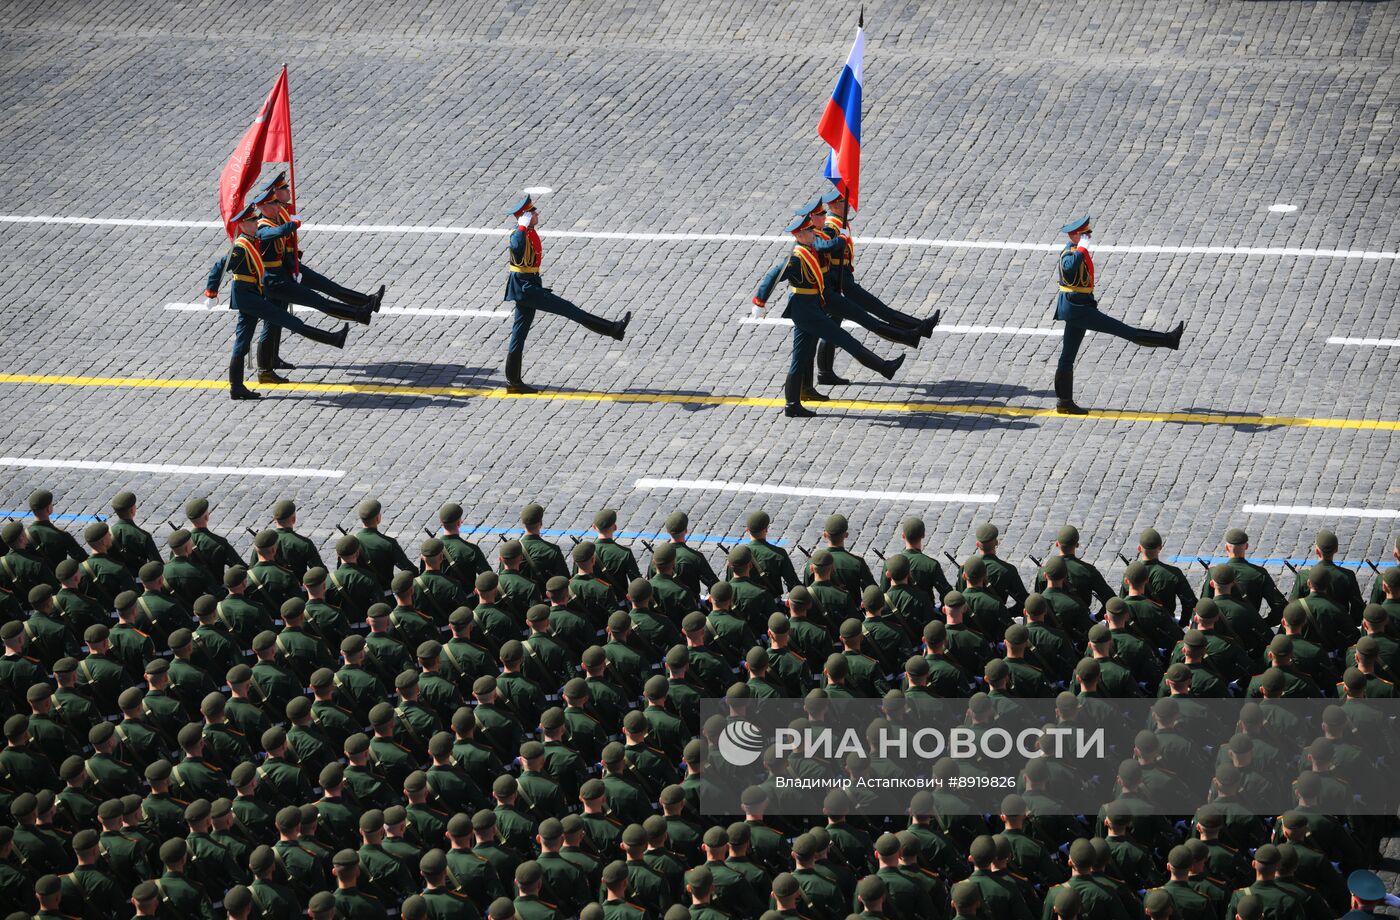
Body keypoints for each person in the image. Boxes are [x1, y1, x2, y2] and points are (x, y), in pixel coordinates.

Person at [761, 212, 904, 418]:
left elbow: (826, 248)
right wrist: (760, 301)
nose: (813, 232)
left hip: (809, 310)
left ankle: (792, 404)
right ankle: (885, 368)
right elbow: (772, 275)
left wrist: (840, 240)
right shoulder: (795, 259)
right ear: (800, 235)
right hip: (808, 313)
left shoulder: (809, 249)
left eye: (812, 228)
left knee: (799, 358)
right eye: (809, 230)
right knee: (845, 339)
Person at [204, 200, 348, 399]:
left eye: (255, 219)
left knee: (243, 342)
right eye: (252, 221)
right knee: (286, 319)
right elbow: (219, 266)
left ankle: (236, 387)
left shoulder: (252, 241)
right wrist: (211, 293)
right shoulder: (240, 247)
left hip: (252, 295)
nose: (256, 223)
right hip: (247, 297)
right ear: (243, 225)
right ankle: (333, 339)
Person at [251, 171, 385, 379]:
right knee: (313, 302)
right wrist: (290, 226)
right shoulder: (265, 225)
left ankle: (268, 366)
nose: (280, 201)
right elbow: (270, 235)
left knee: (276, 319)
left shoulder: (278, 216)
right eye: (276, 199)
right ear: (264, 206)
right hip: (277, 279)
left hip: (285, 272)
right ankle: (359, 313)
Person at [1051, 216, 1184, 414]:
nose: (1088, 236)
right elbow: (1070, 269)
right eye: (1084, 234)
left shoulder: (1076, 251)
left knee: (1067, 356)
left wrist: (1082, 248)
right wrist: (1082, 248)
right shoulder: (1069, 254)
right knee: (1123, 330)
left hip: (1079, 306)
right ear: (1075, 236)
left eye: (1088, 233)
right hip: (1077, 309)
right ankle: (1169, 340)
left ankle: (1064, 402)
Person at [501, 193, 630, 393]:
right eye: (532, 211)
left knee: (520, 331)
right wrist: (521, 225)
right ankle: (613, 329)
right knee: (569, 309)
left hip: (530, 284)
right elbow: (516, 247)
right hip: (525, 288)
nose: (536, 213)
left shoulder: (528, 232)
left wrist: (525, 226)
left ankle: (513, 382)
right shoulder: (519, 234)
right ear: (525, 216)